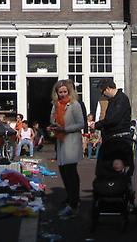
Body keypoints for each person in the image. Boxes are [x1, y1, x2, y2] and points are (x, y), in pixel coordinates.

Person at [48, 79, 85, 219]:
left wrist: (65, 128)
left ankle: (74, 203)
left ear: (69, 91)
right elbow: (53, 120)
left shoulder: (74, 105)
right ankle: (71, 197)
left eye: (64, 91)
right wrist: (52, 126)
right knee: (63, 171)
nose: (62, 94)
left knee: (71, 172)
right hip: (61, 141)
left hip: (71, 141)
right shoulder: (56, 105)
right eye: (60, 92)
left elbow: (81, 124)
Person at [94, 79, 132, 159]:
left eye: (103, 92)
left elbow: (113, 119)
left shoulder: (121, 99)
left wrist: (97, 125)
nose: (103, 95)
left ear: (108, 88)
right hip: (112, 138)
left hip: (119, 139)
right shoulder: (113, 100)